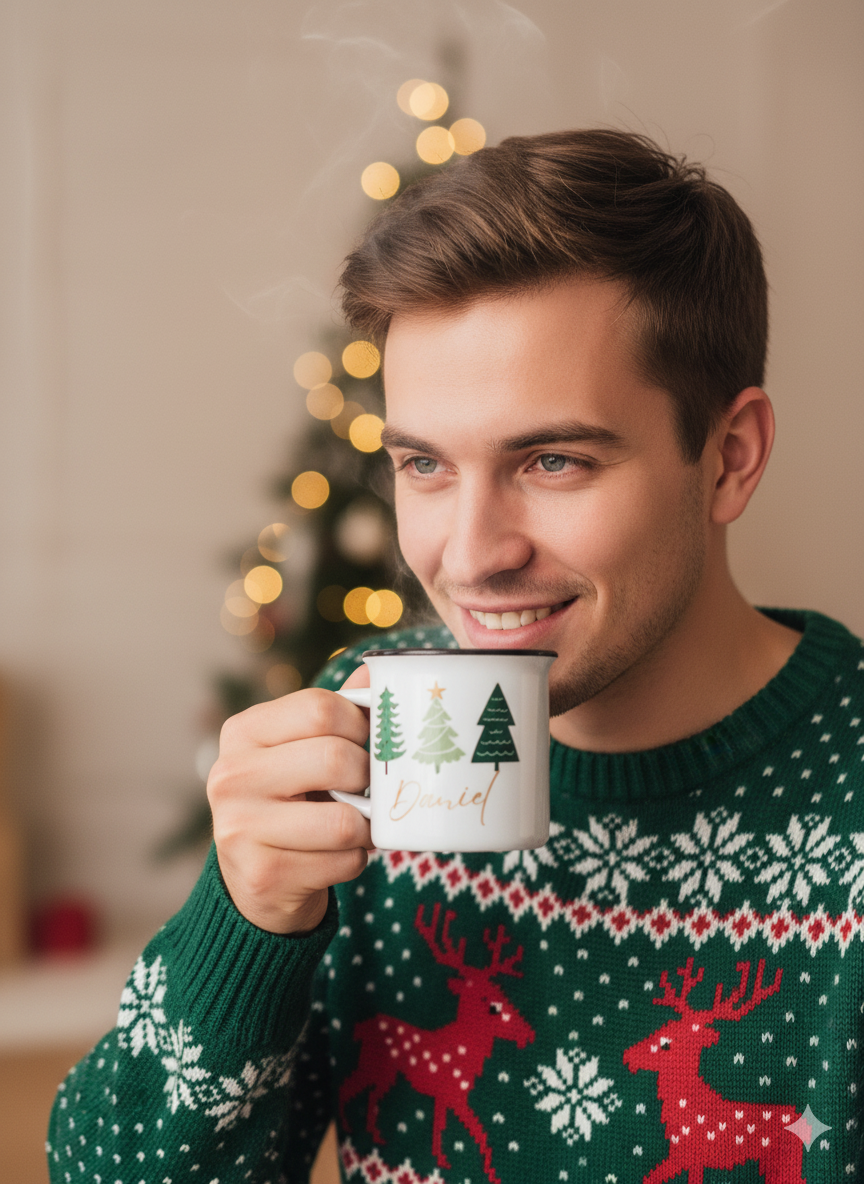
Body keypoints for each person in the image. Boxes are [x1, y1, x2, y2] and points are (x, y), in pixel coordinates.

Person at [48, 130, 862, 1184]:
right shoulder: (362, 729)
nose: (471, 554)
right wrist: (243, 922)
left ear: (729, 458)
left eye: (553, 458)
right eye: (424, 463)